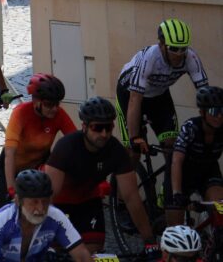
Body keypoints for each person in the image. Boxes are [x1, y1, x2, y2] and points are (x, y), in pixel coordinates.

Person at [45, 97, 159, 254]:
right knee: (58, 251)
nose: (104, 134)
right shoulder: (66, 147)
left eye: (108, 127)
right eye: (97, 128)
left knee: (93, 252)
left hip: (88, 201)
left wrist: (150, 242)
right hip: (61, 203)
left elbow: (132, 197)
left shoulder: (116, 150)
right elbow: (49, 194)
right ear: (84, 126)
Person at [116, 19, 208, 158]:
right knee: (134, 152)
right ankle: (124, 177)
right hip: (129, 95)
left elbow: (206, 95)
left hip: (159, 96)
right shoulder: (150, 57)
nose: (179, 54)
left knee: (172, 146)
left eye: (183, 48)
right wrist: (134, 138)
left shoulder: (191, 57)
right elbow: (134, 100)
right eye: (174, 48)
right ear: (161, 45)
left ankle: (170, 180)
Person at [0, 170, 90, 262]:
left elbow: (82, 255)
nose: (41, 209)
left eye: (45, 201)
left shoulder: (56, 217)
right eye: (34, 202)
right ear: (18, 201)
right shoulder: (0, 221)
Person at [3, 74, 76, 197]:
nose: (54, 109)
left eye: (57, 104)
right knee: (11, 209)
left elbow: (77, 142)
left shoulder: (59, 114)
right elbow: (9, 154)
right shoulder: (20, 113)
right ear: (36, 102)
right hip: (13, 168)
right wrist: (11, 188)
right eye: (49, 104)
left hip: (39, 165)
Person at [169, 85, 223, 227]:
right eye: (214, 111)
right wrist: (176, 193)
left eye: (222, 111)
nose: (219, 116)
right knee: (176, 231)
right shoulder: (190, 128)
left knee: (220, 209)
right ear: (202, 112)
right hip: (183, 172)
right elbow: (177, 160)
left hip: (208, 171)